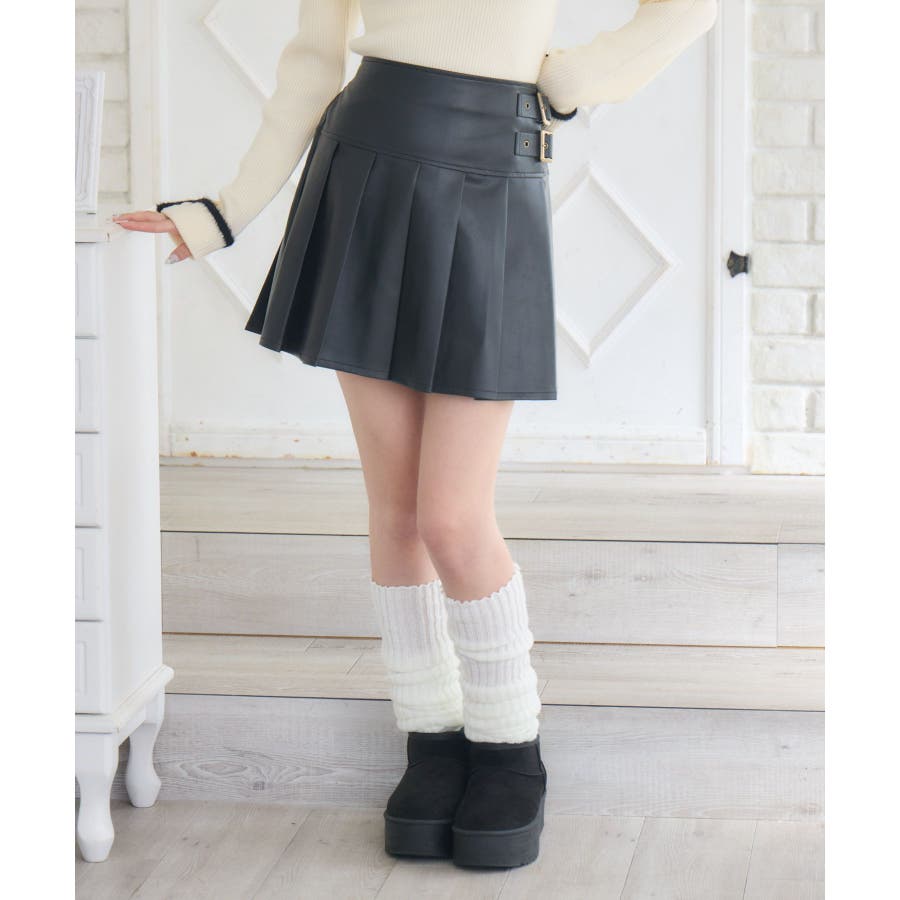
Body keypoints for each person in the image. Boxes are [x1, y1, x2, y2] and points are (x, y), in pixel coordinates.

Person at [113, 0, 718, 870]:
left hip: (493, 165)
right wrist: (223, 211)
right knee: (397, 513)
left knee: (451, 518)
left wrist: (577, 78)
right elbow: (311, 64)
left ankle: (508, 747)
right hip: (364, 162)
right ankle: (431, 739)